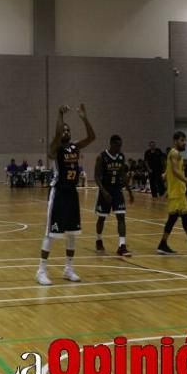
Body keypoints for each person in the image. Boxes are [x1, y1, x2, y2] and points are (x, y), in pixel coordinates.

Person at [36, 105, 95, 286]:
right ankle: (41, 270)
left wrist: (84, 118)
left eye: (68, 129)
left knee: (72, 234)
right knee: (51, 234)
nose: (66, 131)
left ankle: (68, 269)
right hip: (58, 193)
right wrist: (59, 115)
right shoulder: (55, 149)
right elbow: (56, 136)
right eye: (64, 129)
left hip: (72, 194)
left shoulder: (75, 147)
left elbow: (92, 137)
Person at [94, 134, 135, 257]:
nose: (119, 148)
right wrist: (104, 191)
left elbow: (122, 175)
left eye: (120, 146)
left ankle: (122, 246)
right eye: (117, 145)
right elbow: (96, 177)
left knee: (121, 217)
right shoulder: (101, 157)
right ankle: (98, 240)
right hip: (105, 190)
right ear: (111, 144)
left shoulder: (121, 157)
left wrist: (129, 191)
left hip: (117, 190)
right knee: (102, 218)